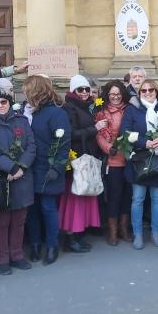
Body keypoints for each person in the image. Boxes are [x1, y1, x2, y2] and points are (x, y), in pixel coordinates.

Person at [0, 87, 36, 275]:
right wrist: (11, 168)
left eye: (4, 102)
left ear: (10, 103)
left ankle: (17, 255)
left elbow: (31, 146)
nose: (0, 105)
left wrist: (21, 167)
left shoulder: (21, 120)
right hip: (0, 178)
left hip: (22, 177)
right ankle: (2, 258)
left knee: (19, 220)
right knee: (1, 222)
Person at [121, 79, 158, 249]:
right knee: (138, 199)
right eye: (143, 91)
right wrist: (143, 142)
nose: (147, 93)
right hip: (140, 160)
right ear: (139, 93)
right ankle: (138, 234)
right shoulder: (132, 109)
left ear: (156, 91)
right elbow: (125, 132)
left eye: (151, 90)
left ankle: (155, 232)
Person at [23, 75, 71, 265]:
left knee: (48, 207)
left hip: (48, 167)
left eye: (27, 91)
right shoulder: (26, 112)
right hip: (29, 168)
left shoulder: (56, 113)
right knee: (32, 208)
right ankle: (35, 244)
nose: (25, 95)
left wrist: (57, 167)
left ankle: (52, 245)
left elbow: (63, 142)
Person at [59, 75, 102, 253]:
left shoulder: (85, 107)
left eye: (86, 89)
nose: (84, 93)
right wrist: (95, 129)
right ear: (73, 91)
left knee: (83, 196)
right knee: (75, 199)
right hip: (77, 160)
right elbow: (72, 134)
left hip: (86, 159)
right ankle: (71, 237)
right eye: (80, 90)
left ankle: (78, 234)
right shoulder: (69, 108)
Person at [96, 80, 133, 245]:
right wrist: (108, 147)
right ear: (107, 95)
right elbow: (99, 135)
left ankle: (124, 228)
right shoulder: (102, 112)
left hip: (130, 158)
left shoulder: (129, 109)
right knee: (114, 196)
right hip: (113, 159)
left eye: (118, 94)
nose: (116, 97)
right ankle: (112, 231)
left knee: (127, 196)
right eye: (112, 94)